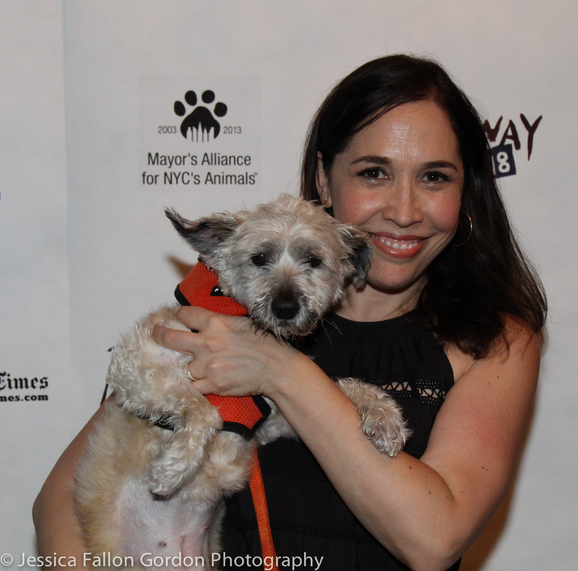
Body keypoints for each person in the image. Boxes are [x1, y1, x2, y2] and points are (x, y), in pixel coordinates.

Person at [33, 55, 546, 571]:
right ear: (325, 180)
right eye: (374, 173)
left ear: (466, 191)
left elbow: (433, 540)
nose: (405, 209)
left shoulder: (496, 341)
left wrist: (279, 369)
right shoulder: (226, 309)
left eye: (435, 177)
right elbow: (60, 497)